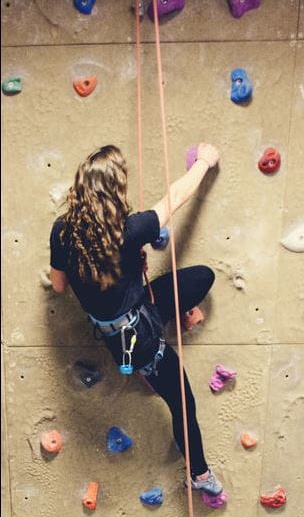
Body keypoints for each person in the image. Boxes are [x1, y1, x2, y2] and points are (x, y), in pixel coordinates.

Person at [49, 143, 223, 496]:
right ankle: (199, 473)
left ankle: (158, 351)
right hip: (136, 342)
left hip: (136, 313)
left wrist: (115, 272)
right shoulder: (128, 229)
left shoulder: (63, 230)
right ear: (115, 190)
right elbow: (176, 197)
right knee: (183, 402)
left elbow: (58, 285)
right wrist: (204, 162)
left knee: (201, 277)